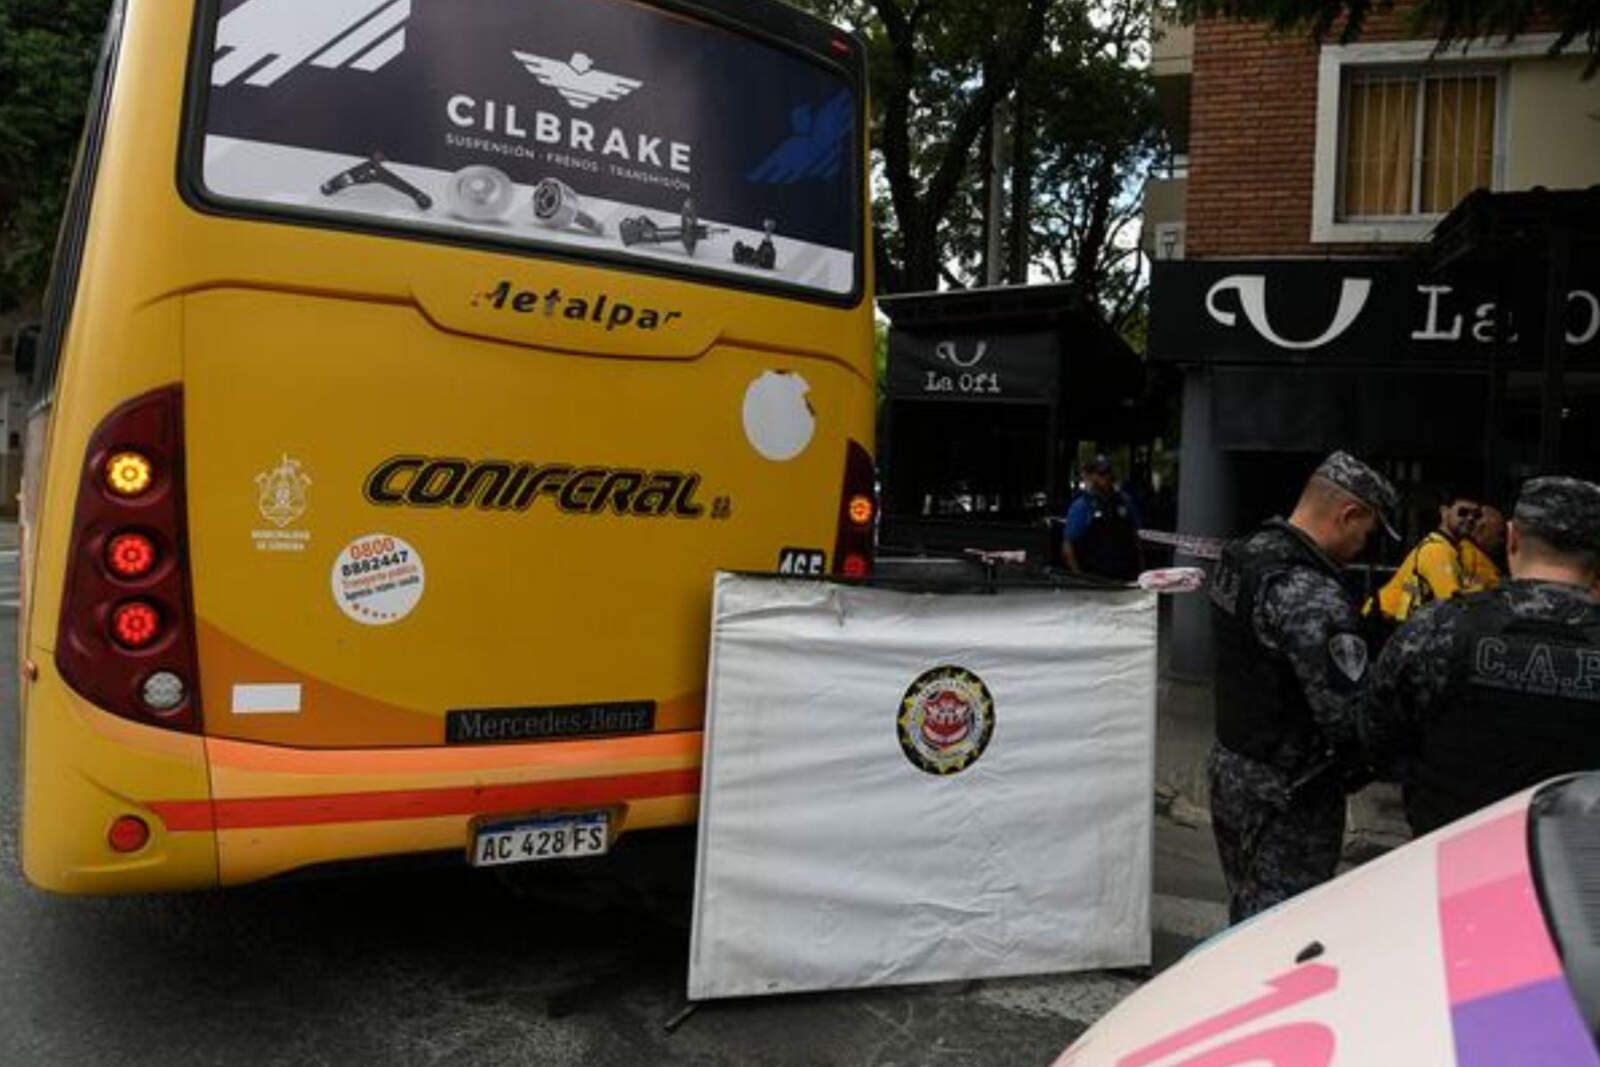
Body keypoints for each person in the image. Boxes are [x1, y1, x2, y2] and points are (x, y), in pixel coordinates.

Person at [1208, 451, 1399, 923]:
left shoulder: (1245, 553)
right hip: (1289, 793)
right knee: (1283, 929)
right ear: (1348, 514)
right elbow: (1348, 717)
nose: (1364, 548)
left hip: (1234, 768)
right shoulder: (1311, 593)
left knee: (1247, 906)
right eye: (1368, 533)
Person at [1360, 477, 1600, 836]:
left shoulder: (1439, 628)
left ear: (1512, 537)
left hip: (1451, 862)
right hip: (1572, 873)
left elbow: (1375, 736)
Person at [1371, 490, 1482, 624]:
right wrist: (1477, 590)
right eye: (1463, 512)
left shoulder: (1449, 547)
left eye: (1476, 515)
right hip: (1385, 624)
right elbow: (1452, 604)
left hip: (1395, 622)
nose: (1470, 519)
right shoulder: (1437, 550)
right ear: (1444, 512)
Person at [1061, 455, 1143, 581]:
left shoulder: (1125, 501)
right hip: (1095, 576)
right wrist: (1079, 577)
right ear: (1090, 476)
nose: (1105, 477)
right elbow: (1068, 545)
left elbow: (1136, 537)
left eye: (1107, 472)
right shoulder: (1082, 506)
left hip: (1125, 574)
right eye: (1100, 473)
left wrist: (1141, 571)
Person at [1460, 504, 1506, 591]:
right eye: (1501, 534)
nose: (1502, 541)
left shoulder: (1481, 555)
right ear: (1481, 530)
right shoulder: (1468, 556)